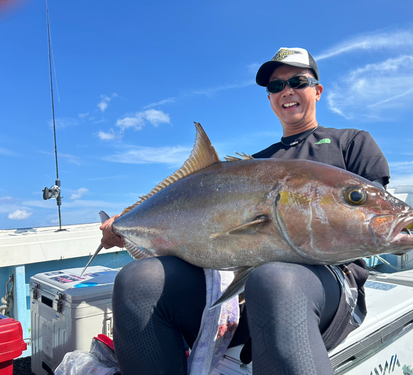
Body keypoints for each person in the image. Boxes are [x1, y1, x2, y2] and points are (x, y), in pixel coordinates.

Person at [101, 47, 390, 375]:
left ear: (317, 90)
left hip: (327, 281)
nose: (287, 91)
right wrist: (127, 229)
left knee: (275, 278)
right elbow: (208, 226)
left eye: (297, 81)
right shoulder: (253, 163)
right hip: (244, 286)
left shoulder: (350, 143)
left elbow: (370, 214)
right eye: (276, 87)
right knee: (139, 281)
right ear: (269, 99)